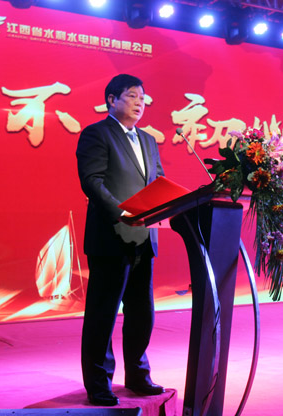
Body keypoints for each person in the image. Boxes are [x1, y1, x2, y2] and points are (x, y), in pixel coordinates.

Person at [76, 74, 165, 407]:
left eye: (142, 97)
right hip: (111, 237)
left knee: (142, 313)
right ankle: (99, 384)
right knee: (103, 314)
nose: (139, 102)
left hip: (144, 237)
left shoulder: (148, 140)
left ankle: (138, 376)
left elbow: (157, 181)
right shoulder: (97, 134)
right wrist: (122, 214)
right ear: (111, 100)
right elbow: (92, 181)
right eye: (131, 96)